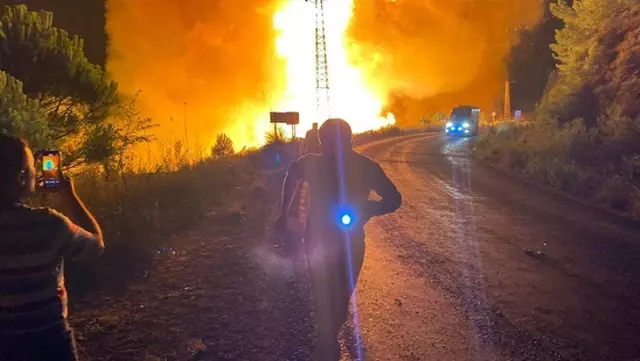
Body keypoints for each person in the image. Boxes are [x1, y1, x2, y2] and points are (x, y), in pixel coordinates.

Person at [276, 118, 402, 360]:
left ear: (349, 141)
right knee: (322, 290)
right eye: (328, 142)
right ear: (321, 142)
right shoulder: (312, 163)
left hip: (349, 241)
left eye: (338, 141)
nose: (333, 148)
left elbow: (394, 199)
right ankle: (327, 340)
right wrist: (285, 213)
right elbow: (292, 173)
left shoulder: (366, 167)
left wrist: (367, 209)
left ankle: (328, 336)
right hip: (319, 241)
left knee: (342, 292)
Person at [0, 134, 105, 360]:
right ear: (21, 177)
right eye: (31, 168)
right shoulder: (49, 224)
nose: (36, 173)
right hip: (49, 341)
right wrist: (69, 195)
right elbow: (96, 246)